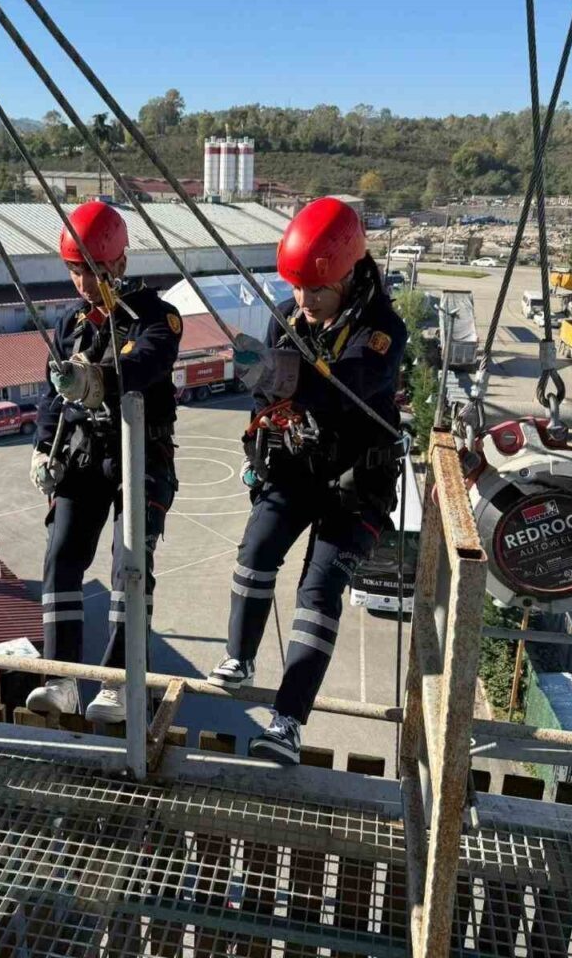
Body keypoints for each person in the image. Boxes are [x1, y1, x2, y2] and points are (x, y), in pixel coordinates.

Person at [206, 197, 406, 764]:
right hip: (297, 464)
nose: (305, 301)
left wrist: (279, 373)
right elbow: (267, 396)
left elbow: (345, 385)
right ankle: (239, 658)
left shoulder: (382, 331)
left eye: (316, 290)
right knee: (256, 550)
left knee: (318, 592)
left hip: (356, 481)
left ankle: (287, 722)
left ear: (349, 275)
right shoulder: (287, 318)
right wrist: (258, 440)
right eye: (297, 288)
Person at [26, 201, 181, 723]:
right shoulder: (71, 324)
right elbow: (52, 394)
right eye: (75, 271)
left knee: (128, 562)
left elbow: (144, 364)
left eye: (92, 271)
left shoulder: (155, 317)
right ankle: (61, 677)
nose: (83, 283)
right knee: (61, 555)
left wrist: (95, 380)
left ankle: (119, 681)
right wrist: (42, 447)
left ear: (119, 263)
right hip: (85, 454)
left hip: (141, 453)